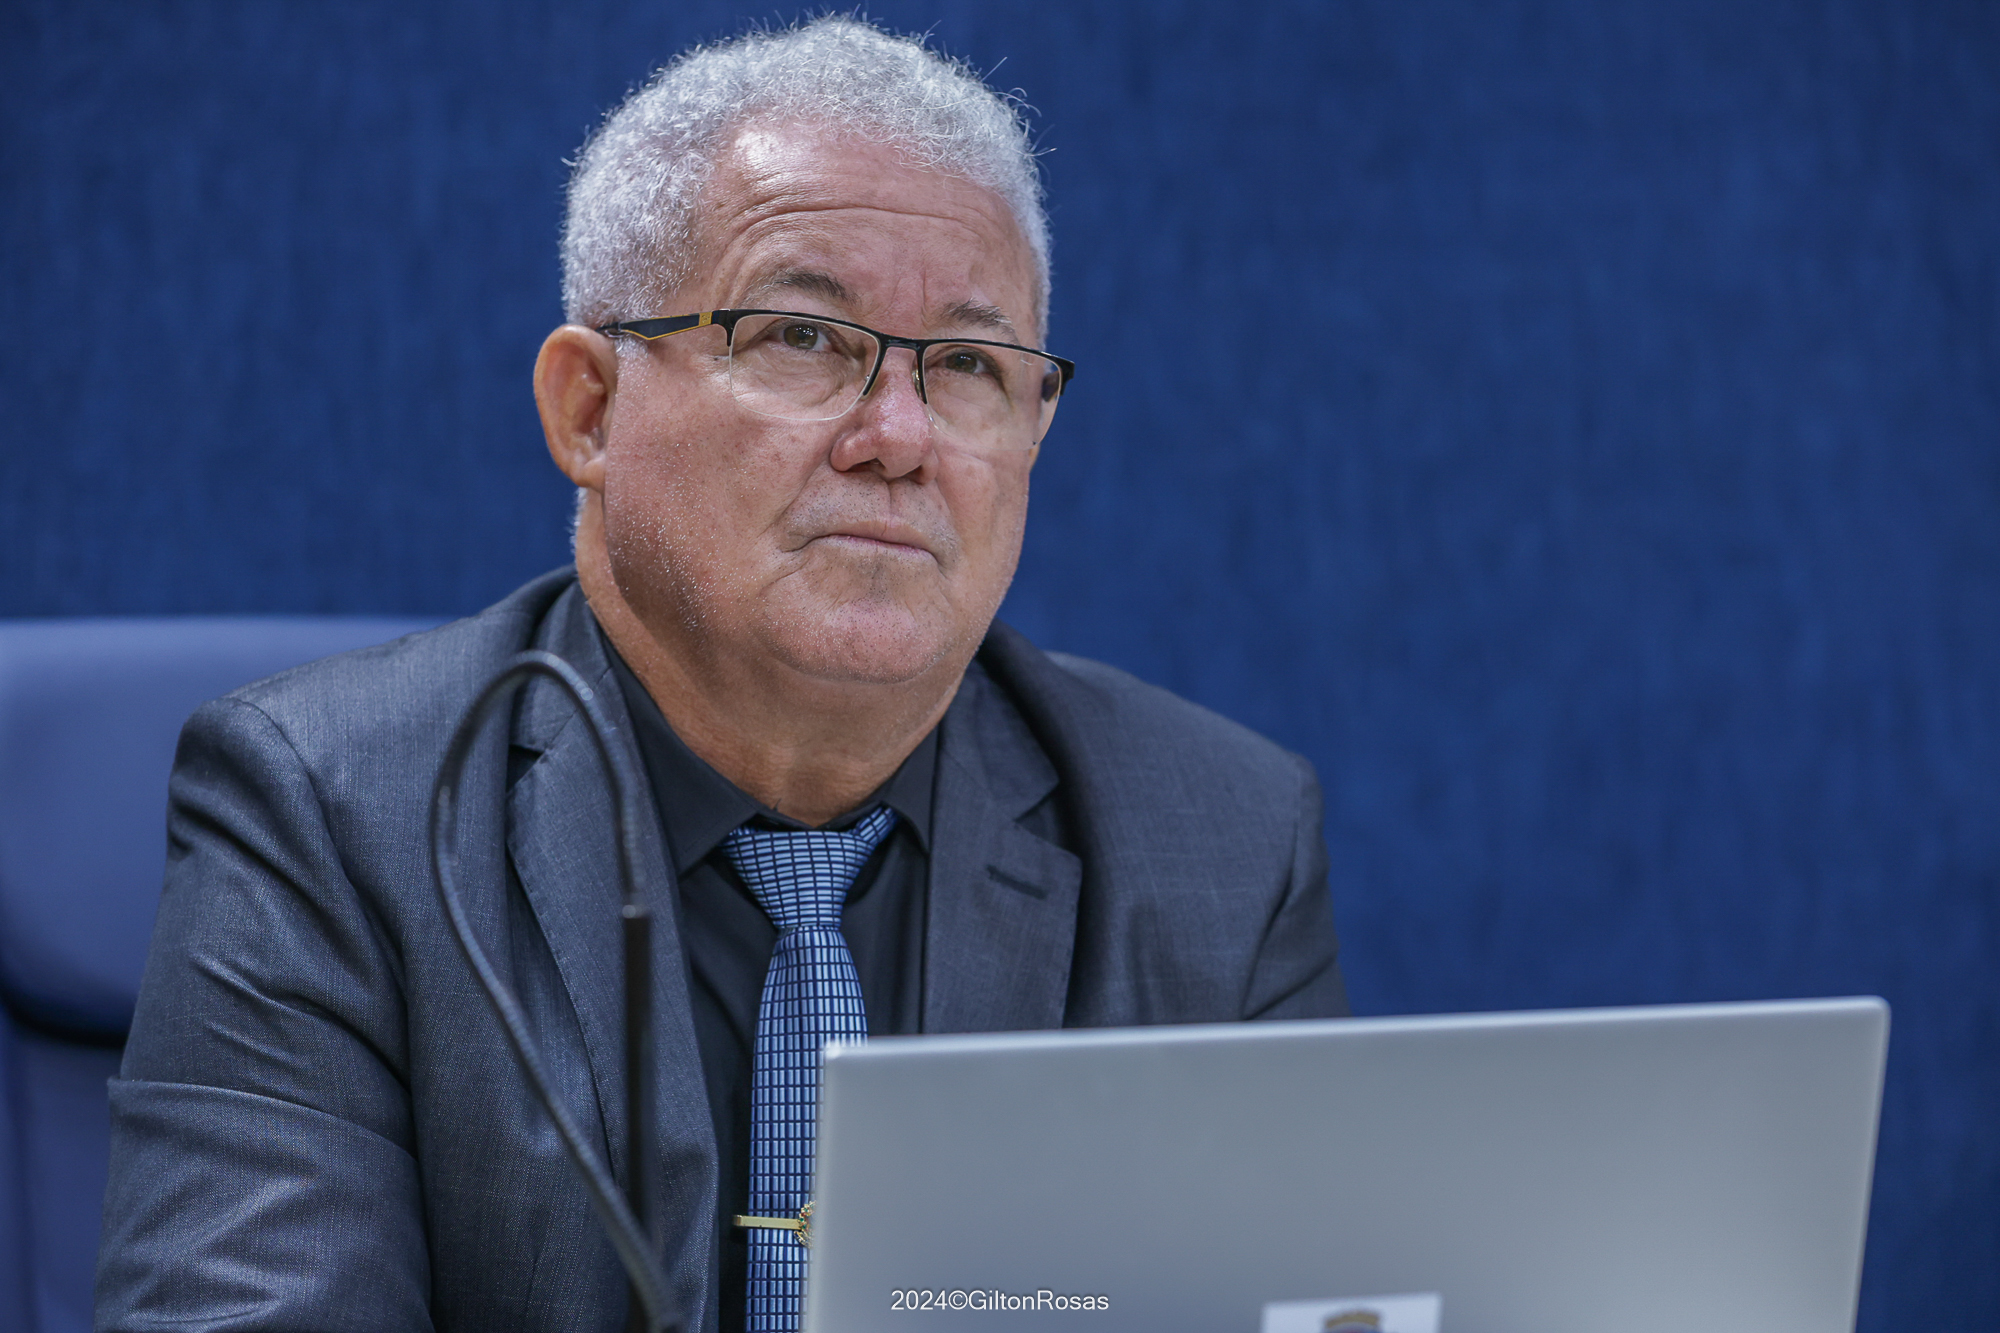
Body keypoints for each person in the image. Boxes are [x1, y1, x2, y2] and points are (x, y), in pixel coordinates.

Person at [95, 17, 1347, 1333]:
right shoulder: (328, 815)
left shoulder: (1222, 840)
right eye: (803, 336)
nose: (899, 436)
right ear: (589, 408)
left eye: (971, 365)